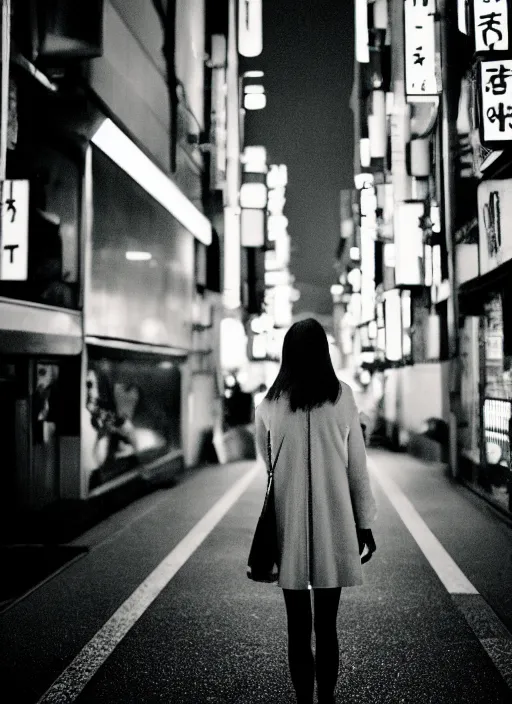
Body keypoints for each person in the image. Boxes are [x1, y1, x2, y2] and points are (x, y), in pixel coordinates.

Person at [254, 318, 377, 704]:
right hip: (335, 524)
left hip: (287, 527)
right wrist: (365, 523)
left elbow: (267, 463)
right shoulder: (342, 397)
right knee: (327, 627)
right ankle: (327, 702)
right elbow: (357, 466)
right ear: (324, 352)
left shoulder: (271, 403)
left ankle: (304, 703)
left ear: (287, 354)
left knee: (296, 628)